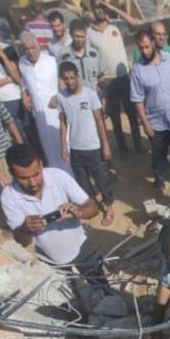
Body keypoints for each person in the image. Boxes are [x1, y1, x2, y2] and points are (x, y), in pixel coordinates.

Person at [0, 144, 108, 291]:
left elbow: (93, 207)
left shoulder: (59, 176)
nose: (33, 183)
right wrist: (26, 228)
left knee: (102, 287)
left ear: (41, 164)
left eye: (36, 174)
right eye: (24, 178)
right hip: (51, 262)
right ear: (12, 173)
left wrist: (79, 212)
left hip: (83, 249)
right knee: (74, 301)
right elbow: (22, 241)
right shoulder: (8, 196)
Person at [130, 29, 170, 193]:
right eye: (141, 48)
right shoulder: (138, 70)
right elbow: (137, 99)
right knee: (159, 155)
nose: (144, 51)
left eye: (147, 47)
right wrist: (145, 123)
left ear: (154, 43)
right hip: (156, 122)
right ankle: (159, 181)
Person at [58, 61, 114, 226]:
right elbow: (63, 123)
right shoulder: (61, 97)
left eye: (72, 78)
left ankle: (109, 208)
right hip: (75, 148)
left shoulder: (90, 94)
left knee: (101, 179)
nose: (70, 82)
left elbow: (99, 120)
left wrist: (106, 144)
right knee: (83, 183)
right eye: (66, 78)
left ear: (78, 77)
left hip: (93, 147)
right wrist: (64, 145)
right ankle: (93, 206)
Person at [87, 0, 144, 155]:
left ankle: (139, 146)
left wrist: (113, 9)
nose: (100, 10)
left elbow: (135, 24)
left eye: (102, 6)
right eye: (97, 7)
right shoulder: (89, 33)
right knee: (115, 118)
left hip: (124, 78)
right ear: (92, 9)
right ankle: (123, 149)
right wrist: (98, 79)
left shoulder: (117, 26)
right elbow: (90, 57)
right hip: (108, 81)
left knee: (132, 115)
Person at [18, 33, 65, 170]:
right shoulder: (22, 62)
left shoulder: (51, 61)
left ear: (38, 45)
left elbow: (61, 81)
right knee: (47, 146)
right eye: (27, 49)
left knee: (62, 143)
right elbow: (24, 83)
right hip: (39, 113)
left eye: (33, 47)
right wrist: (24, 95)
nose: (30, 52)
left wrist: (58, 97)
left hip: (56, 112)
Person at [56, 19, 103, 93]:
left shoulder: (94, 54)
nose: (80, 40)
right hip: (74, 98)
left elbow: (100, 77)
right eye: (77, 36)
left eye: (82, 37)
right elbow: (61, 79)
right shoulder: (63, 55)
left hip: (92, 99)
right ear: (71, 35)